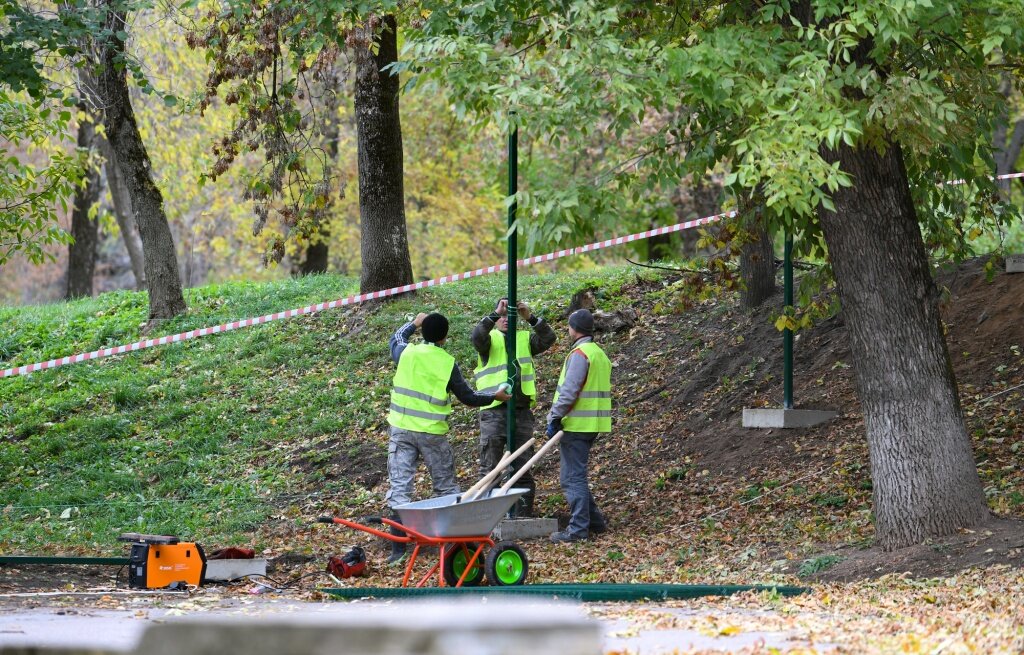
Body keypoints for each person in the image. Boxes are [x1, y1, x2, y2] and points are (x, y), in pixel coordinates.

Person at [386, 311, 511, 564]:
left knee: (400, 489)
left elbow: (396, 337)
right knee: (445, 487)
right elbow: (467, 396)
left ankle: (398, 551)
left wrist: (414, 322)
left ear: (423, 333)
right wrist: (494, 397)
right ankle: (455, 546)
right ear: (445, 338)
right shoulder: (447, 362)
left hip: (401, 429)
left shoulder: (407, 352)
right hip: (432, 433)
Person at [471, 298, 556, 517]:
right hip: (493, 411)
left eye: (509, 315)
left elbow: (549, 338)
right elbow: (476, 337)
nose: (505, 320)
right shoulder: (488, 340)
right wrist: (494, 312)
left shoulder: (524, 338)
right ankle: (487, 517)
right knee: (490, 467)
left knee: (523, 466)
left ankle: (522, 515)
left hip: (521, 411)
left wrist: (530, 317)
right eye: (501, 316)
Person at [546, 308, 612, 543]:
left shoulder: (580, 354)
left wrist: (554, 416)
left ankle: (577, 530)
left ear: (574, 329)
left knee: (572, 478)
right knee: (577, 476)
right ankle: (595, 522)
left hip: (576, 424)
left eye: (569, 325)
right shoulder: (598, 353)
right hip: (592, 423)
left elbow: (569, 391)